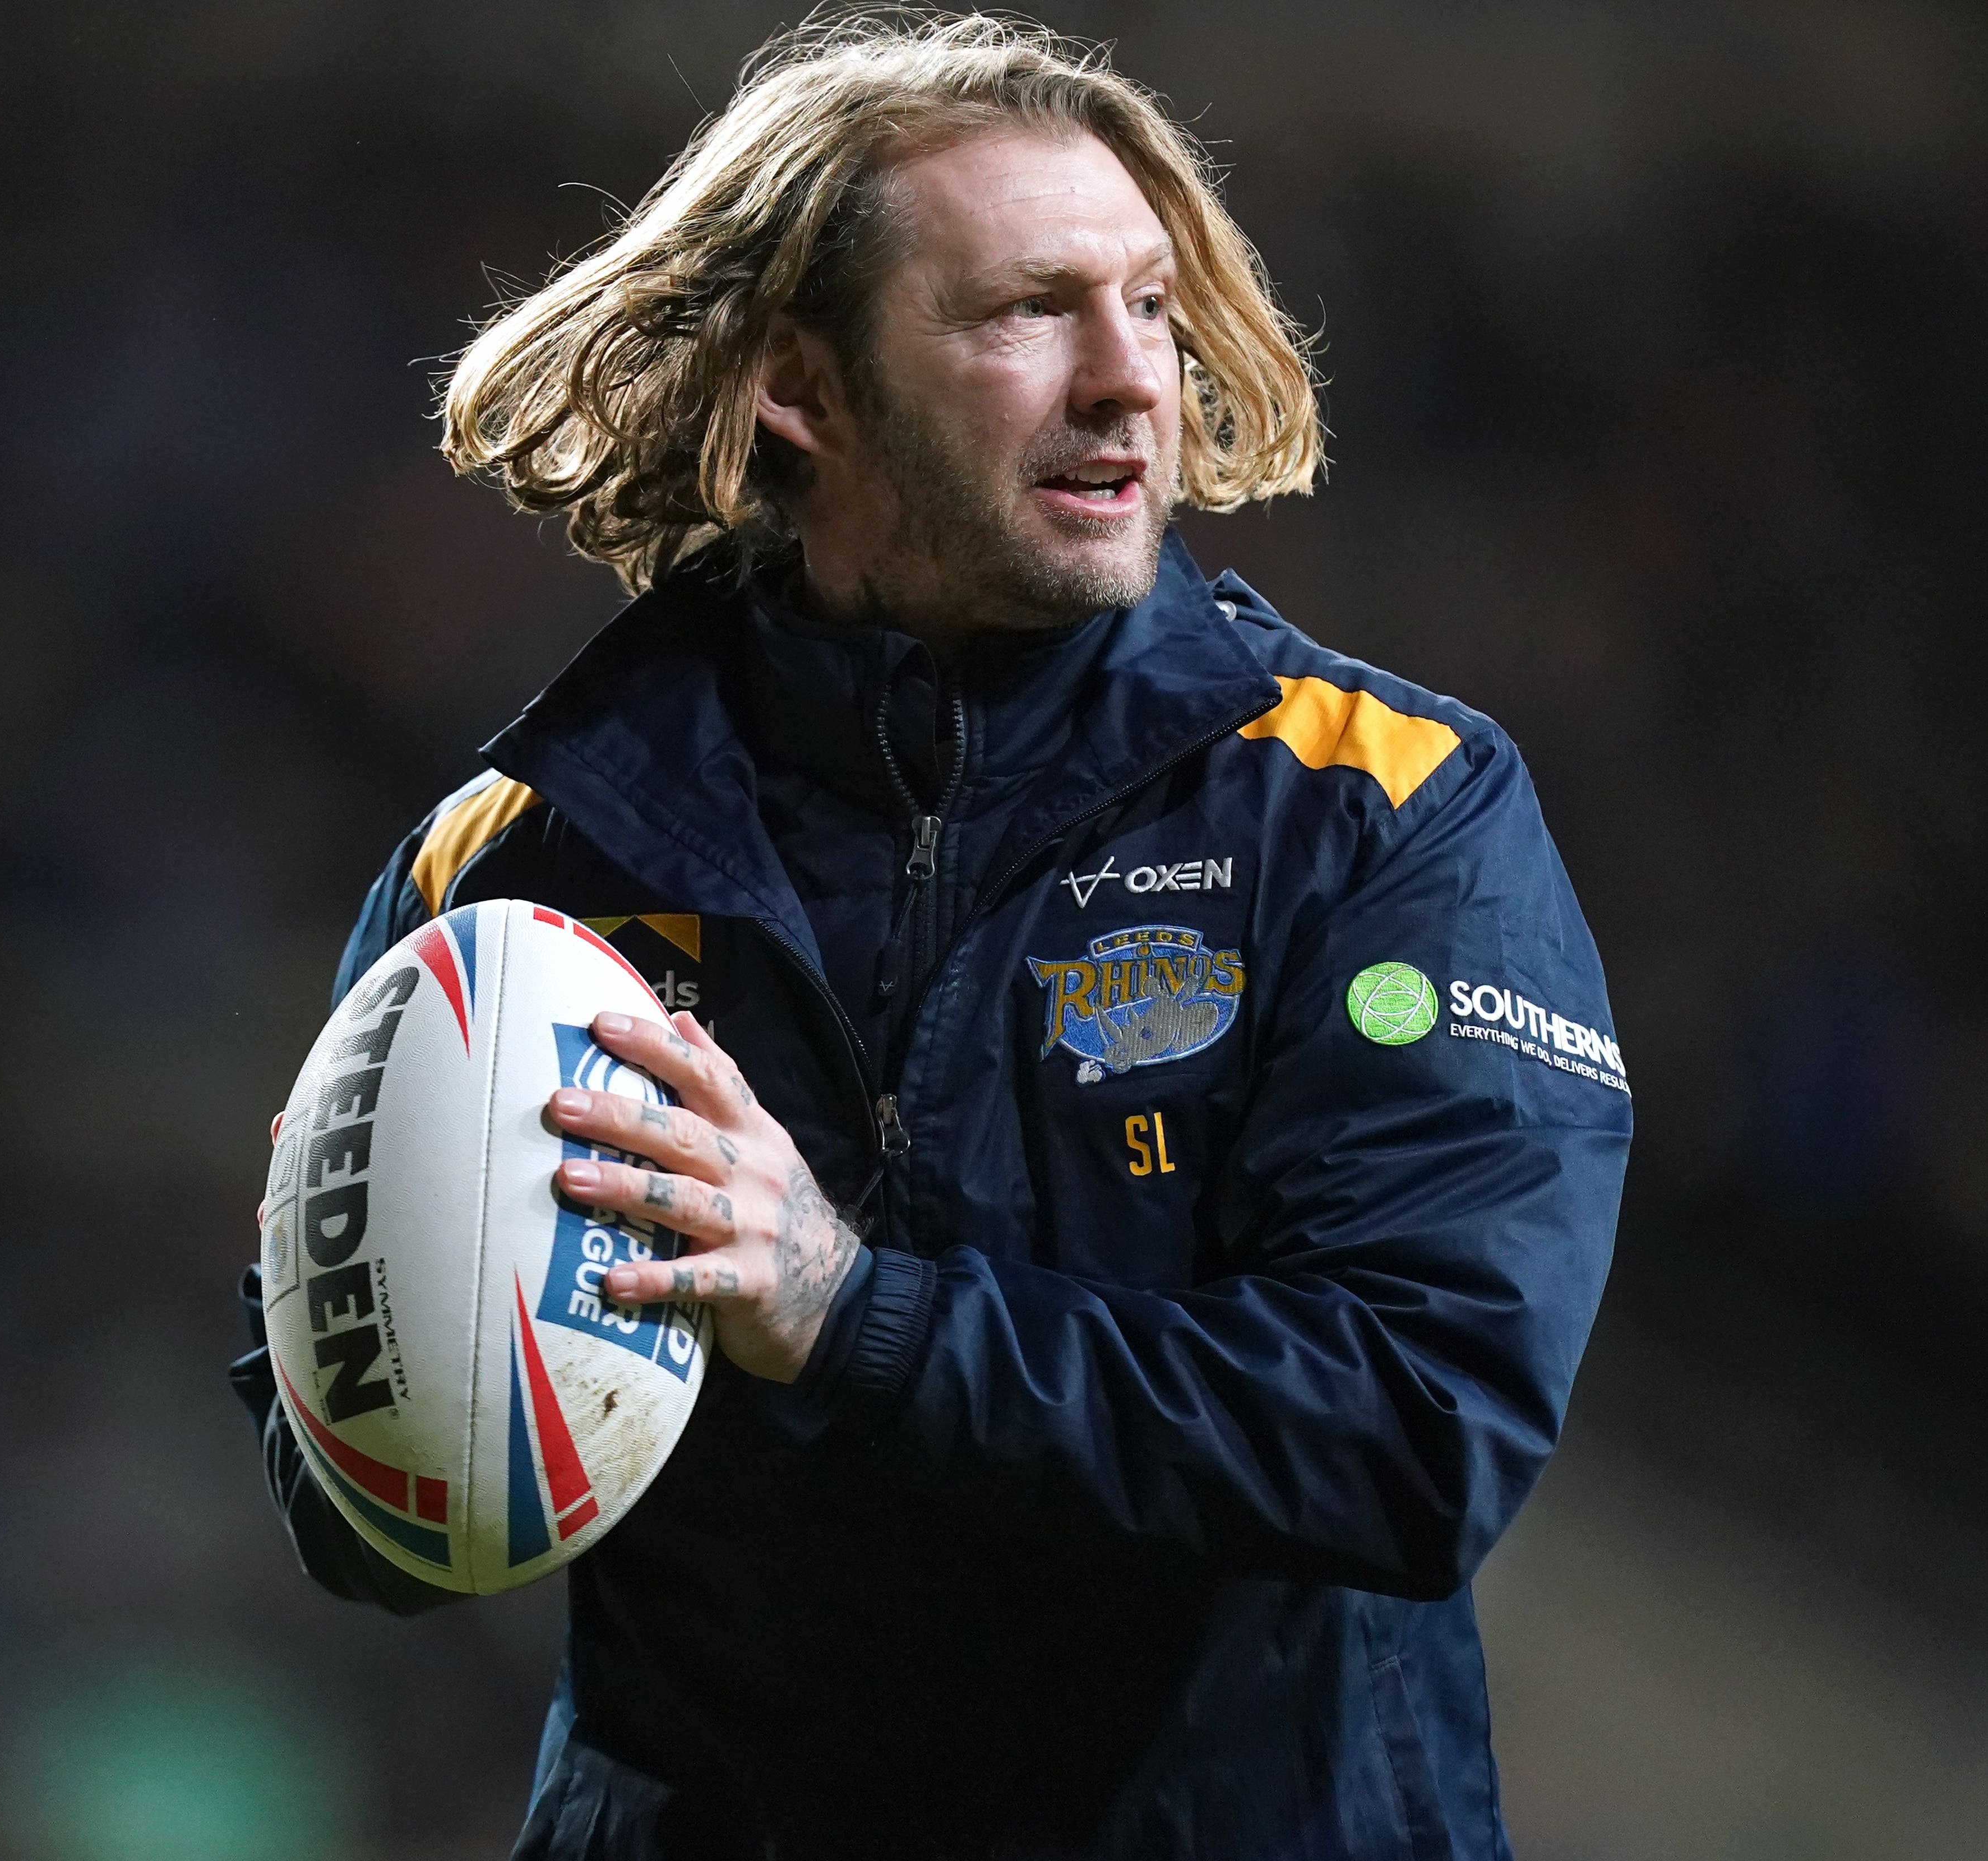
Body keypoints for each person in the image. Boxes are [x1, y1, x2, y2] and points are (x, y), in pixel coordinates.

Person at [233, 15, 1629, 1859]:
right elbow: (373, 1542)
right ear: (806, 384)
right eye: (1030, 311)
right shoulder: (518, 863)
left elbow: (1412, 1432)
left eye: (1148, 304)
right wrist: (362, 1319)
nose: (1132, 380)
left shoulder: (1381, 809)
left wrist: (847, 1312)